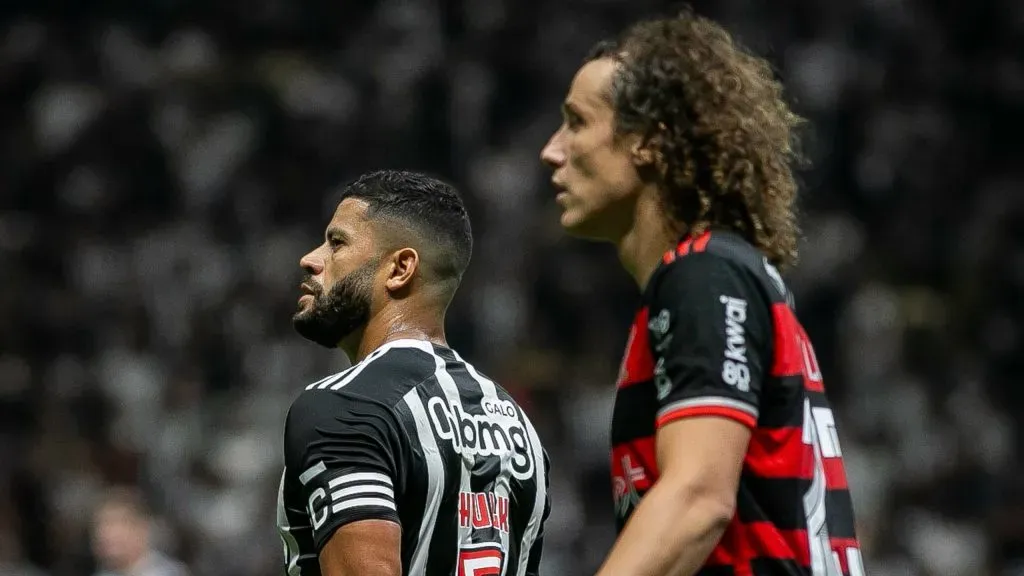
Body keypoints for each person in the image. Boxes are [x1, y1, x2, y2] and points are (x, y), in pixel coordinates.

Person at [540, 8, 864, 576]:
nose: (553, 150)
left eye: (576, 121)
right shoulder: (714, 276)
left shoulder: (703, 275)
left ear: (648, 142)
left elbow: (696, 499)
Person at [277, 170, 550, 576]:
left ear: (400, 268)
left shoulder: (345, 406)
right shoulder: (519, 427)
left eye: (337, 243)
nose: (311, 259)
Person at [91, 487, 190, 576]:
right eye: (100, 524)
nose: (104, 534)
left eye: (116, 522)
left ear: (142, 528)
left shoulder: (168, 573)